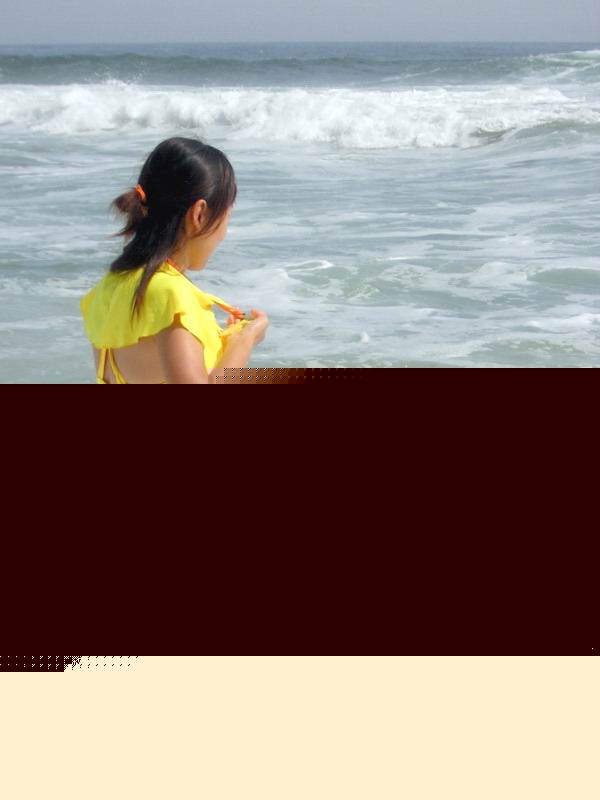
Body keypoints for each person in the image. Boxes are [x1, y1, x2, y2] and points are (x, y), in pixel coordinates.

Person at [79, 136, 269, 384]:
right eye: (227, 217)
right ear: (199, 214)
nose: (224, 233)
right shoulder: (171, 296)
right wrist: (245, 341)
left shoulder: (108, 288)